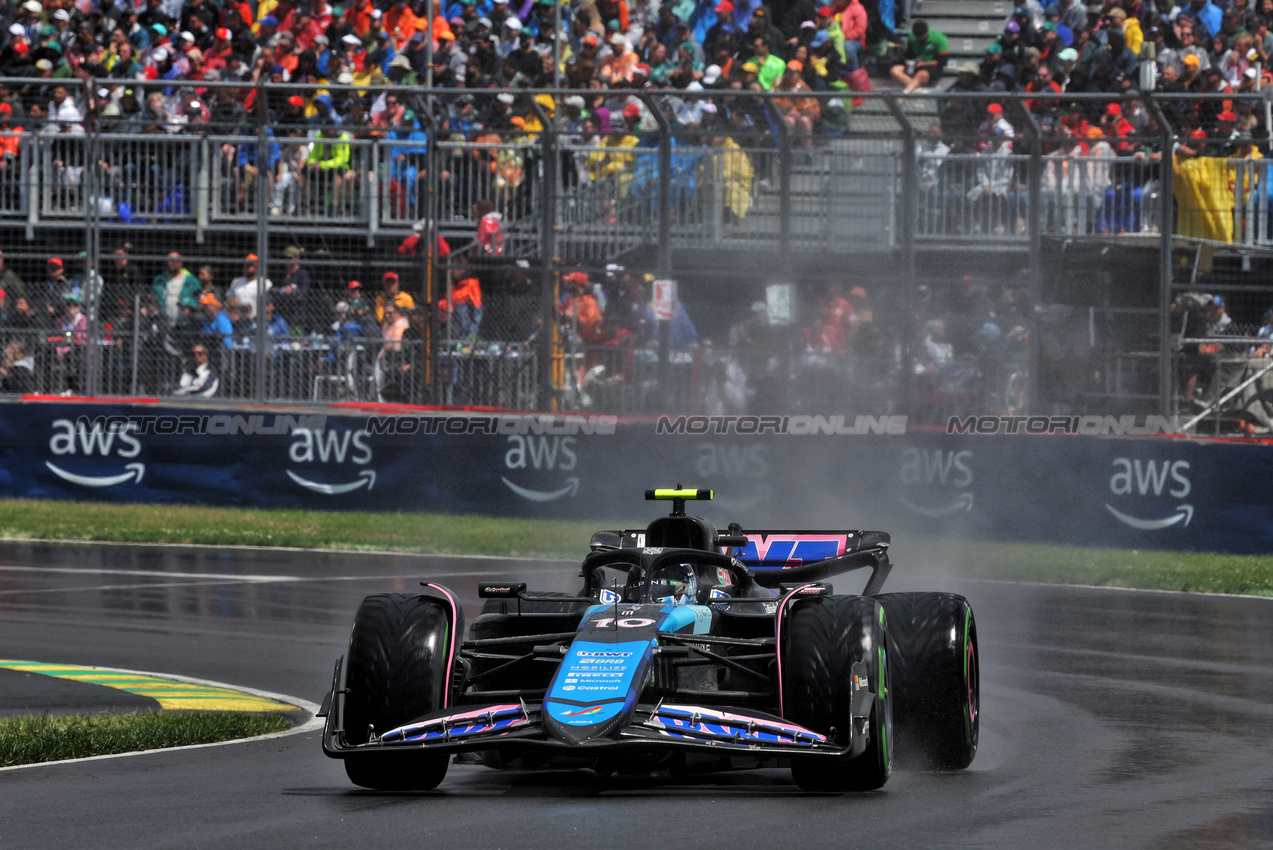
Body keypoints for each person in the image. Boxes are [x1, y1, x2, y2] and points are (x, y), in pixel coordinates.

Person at [891, 20, 948, 93]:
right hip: (915, 64)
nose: (919, 39)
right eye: (917, 37)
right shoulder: (912, 37)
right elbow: (909, 55)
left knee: (921, 74)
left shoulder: (939, 38)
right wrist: (910, 62)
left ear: (927, 32)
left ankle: (905, 92)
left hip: (931, 67)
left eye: (922, 37)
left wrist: (925, 63)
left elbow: (943, 61)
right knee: (895, 70)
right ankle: (916, 89)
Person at [152, 251, 199, 324]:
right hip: (163, 321)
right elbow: (154, 297)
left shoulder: (191, 281)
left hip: (182, 323)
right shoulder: (160, 280)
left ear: (180, 262)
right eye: (169, 261)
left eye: (173, 261)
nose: (170, 263)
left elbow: (196, 298)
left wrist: (189, 307)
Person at [274, 245, 311, 331]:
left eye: (289, 258)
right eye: (285, 258)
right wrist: (282, 290)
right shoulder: (281, 274)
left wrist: (293, 290)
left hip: (297, 317)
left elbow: (303, 292)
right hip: (281, 316)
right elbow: (273, 290)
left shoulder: (303, 274)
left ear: (296, 258)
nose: (287, 261)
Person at [227, 253, 273, 320]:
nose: (246, 268)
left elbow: (270, 305)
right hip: (238, 320)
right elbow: (229, 299)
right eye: (245, 265)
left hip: (257, 321)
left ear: (256, 267)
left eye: (249, 266)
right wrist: (236, 305)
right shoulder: (236, 282)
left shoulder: (265, 283)